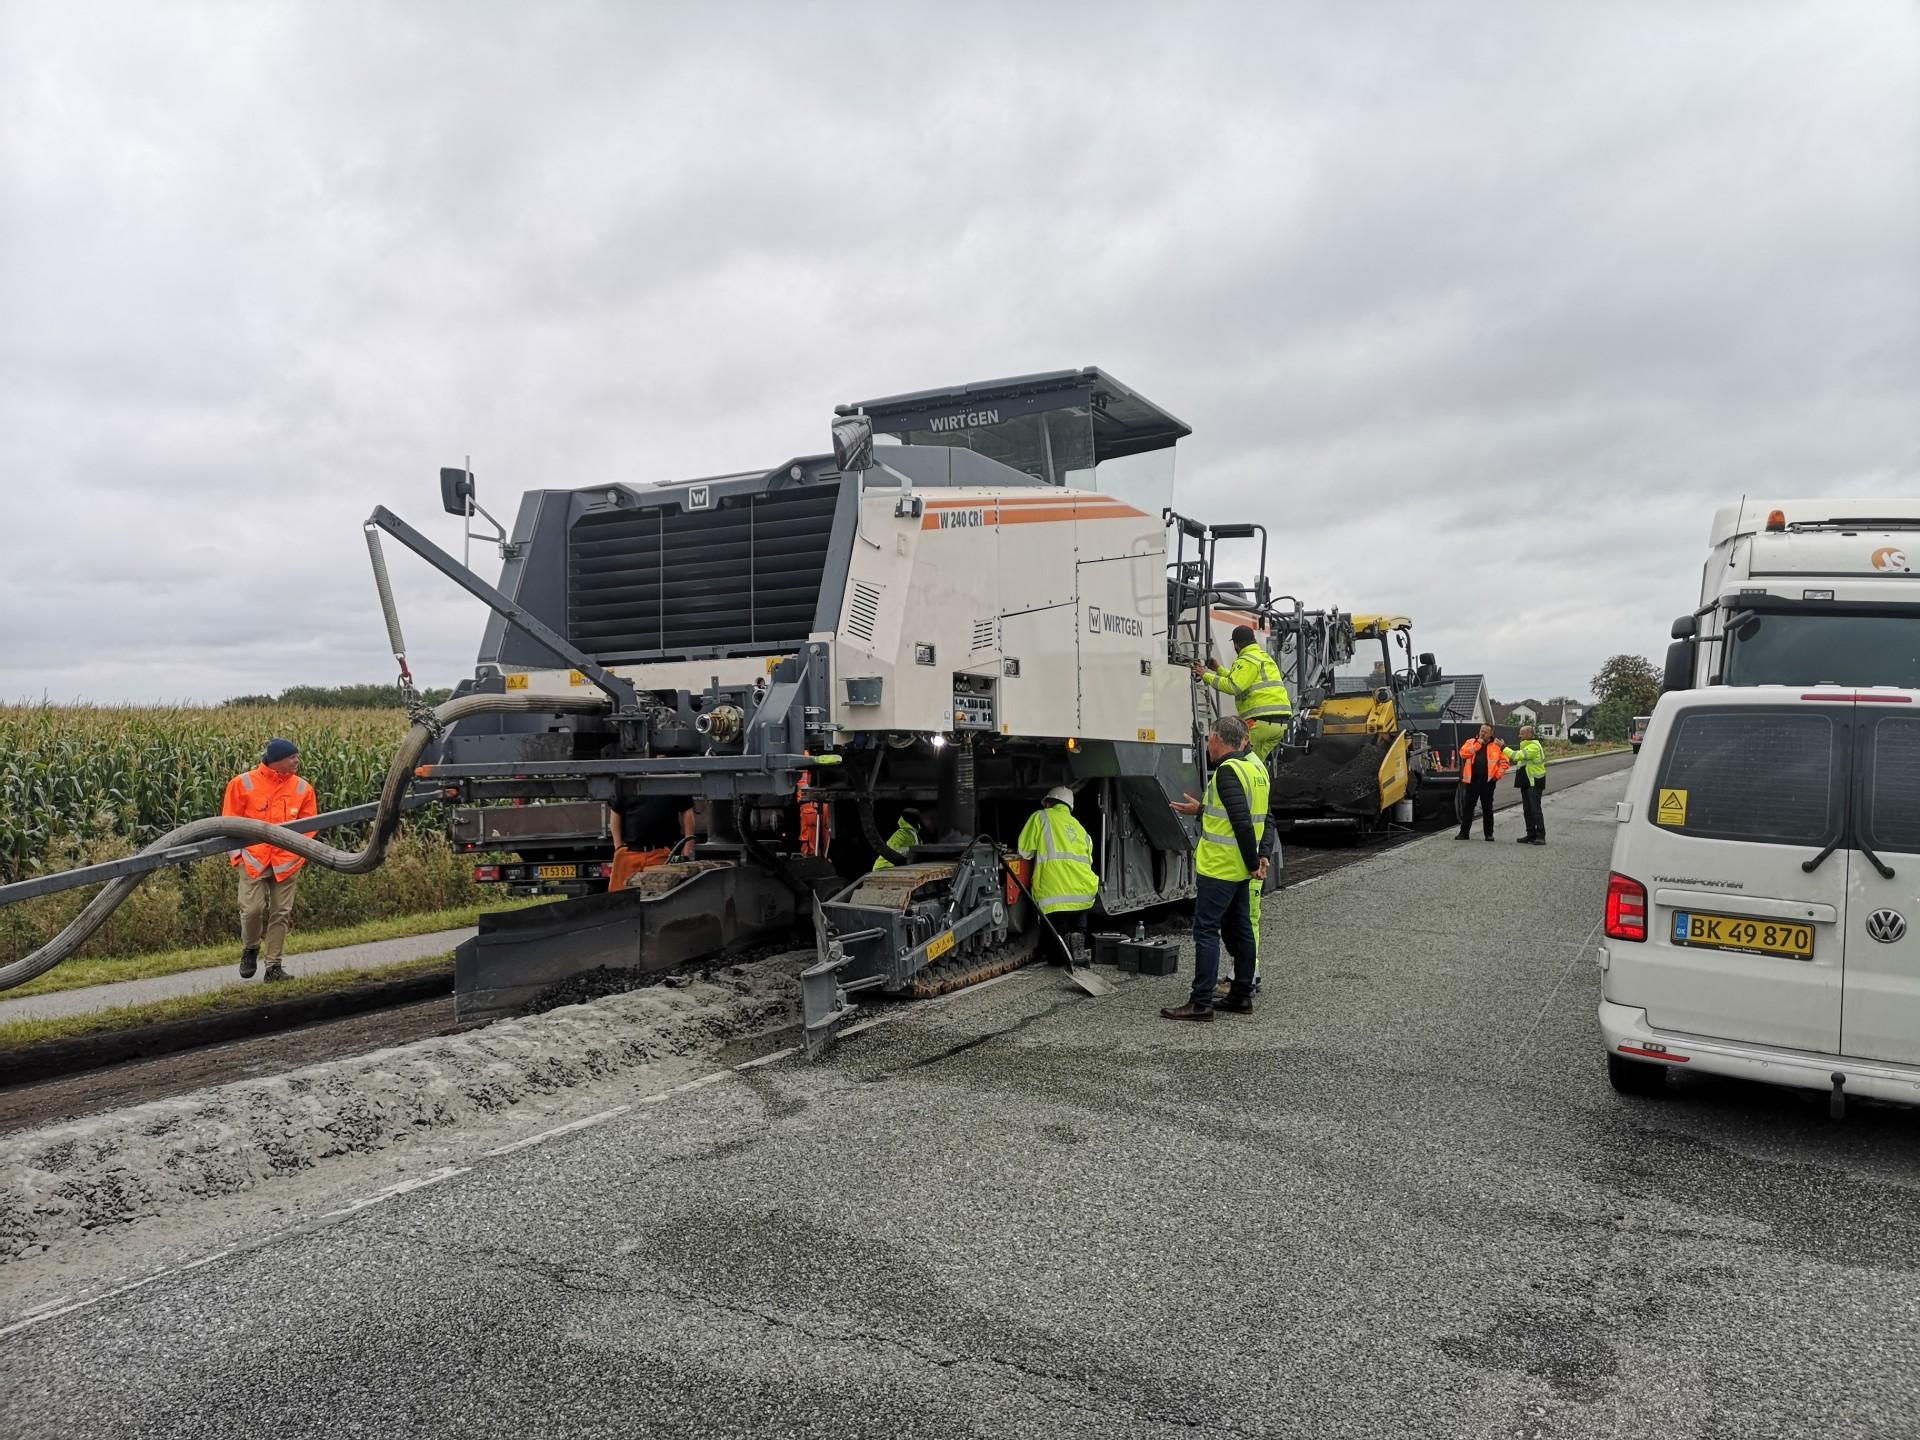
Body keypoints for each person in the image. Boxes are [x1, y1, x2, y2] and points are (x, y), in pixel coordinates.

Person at [1164, 715, 1270, 1021]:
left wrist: (1254, 863)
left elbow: (1240, 821)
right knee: (1242, 931)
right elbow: (1261, 817)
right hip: (1238, 869)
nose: (1207, 742)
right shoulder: (1256, 768)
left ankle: (1200, 1003)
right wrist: (1202, 810)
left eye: (1210, 737)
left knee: (1207, 931)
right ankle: (1241, 996)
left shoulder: (1227, 771)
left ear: (1218, 739)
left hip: (1221, 868)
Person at [221, 737, 319, 982]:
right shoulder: (241, 784)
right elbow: (228, 822)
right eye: (292, 757)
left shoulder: (303, 788)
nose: (297, 760)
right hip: (253, 860)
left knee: (281, 914)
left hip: (287, 863)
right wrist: (238, 857)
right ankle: (251, 948)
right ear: (276, 761)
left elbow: (310, 825)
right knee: (252, 910)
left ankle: (273, 967)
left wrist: (296, 854)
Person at [1015, 786, 1099, 962]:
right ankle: (1077, 937)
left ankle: (1062, 950)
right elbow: (1088, 859)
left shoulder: (1041, 817)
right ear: (1069, 807)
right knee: (1078, 918)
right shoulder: (1080, 828)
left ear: (1048, 803)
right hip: (1084, 890)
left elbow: (1025, 851)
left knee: (1055, 940)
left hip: (1055, 893)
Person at [1193, 625, 1292, 761]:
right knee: (1254, 764)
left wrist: (1205, 675)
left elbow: (1234, 686)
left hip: (1259, 722)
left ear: (1236, 644)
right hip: (1279, 725)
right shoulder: (1263, 657)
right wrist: (1218, 669)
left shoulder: (1246, 659)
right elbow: (1242, 679)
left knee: (1234, 759)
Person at [609, 793, 696, 890]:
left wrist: (688, 847)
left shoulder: (673, 781)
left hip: (663, 855)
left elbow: (687, 811)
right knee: (620, 898)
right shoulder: (627, 782)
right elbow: (616, 811)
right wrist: (618, 847)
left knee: (662, 898)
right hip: (630, 855)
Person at [1454, 724, 1509, 842]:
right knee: (1468, 807)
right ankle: (1464, 833)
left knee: (1487, 808)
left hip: (1488, 782)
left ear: (1491, 734)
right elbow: (1463, 753)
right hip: (1472, 780)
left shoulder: (1496, 745)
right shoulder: (1471, 742)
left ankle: (1489, 834)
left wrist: (1497, 776)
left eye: (1485, 731)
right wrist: (1478, 744)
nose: (1482, 733)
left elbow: (1505, 762)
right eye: (1481, 730)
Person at [1506, 725, 1549, 844]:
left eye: (1522, 733)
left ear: (1530, 734)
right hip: (1526, 782)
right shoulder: (1525, 746)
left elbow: (1516, 756)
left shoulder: (1534, 747)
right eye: (1520, 733)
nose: (1519, 736)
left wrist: (1503, 747)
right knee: (1527, 810)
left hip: (1534, 782)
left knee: (1535, 809)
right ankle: (1531, 834)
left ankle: (1540, 836)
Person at [872, 806, 923, 870]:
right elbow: (892, 852)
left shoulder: (914, 833)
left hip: (895, 868)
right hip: (883, 867)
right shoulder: (901, 833)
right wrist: (912, 850)